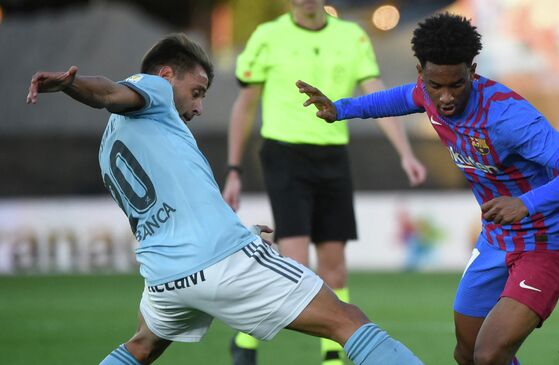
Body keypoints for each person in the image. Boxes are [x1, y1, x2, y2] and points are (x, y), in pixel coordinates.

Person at [26, 33, 424, 365]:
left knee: (141, 347)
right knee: (348, 320)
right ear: (166, 76)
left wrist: (243, 231)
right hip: (219, 262)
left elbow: (172, 207)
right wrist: (72, 86)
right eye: (196, 92)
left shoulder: (110, 143)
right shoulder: (154, 88)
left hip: (164, 279)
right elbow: (109, 92)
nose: (198, 107)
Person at [297, 12, 559, 365]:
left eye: (456, 84)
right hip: (497, 239)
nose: (444, 98)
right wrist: (341, 109)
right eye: (434, 85)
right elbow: (397, 99)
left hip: (549, 239)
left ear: (472, 70)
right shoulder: (428, 93)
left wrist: (526, 203)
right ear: (420, 73)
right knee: (468, 353)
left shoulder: (507, 116)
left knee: (489, 354)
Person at [222, 1, 427, 364]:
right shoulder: (268, 36)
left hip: (333, 155)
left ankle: (331, 355)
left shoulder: (352, 36)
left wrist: (405, 152)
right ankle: (245, 341)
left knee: (335, 266)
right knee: (295, 263)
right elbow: (245, 104)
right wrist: (234, 168)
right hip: (284, 154)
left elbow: (375, 90)